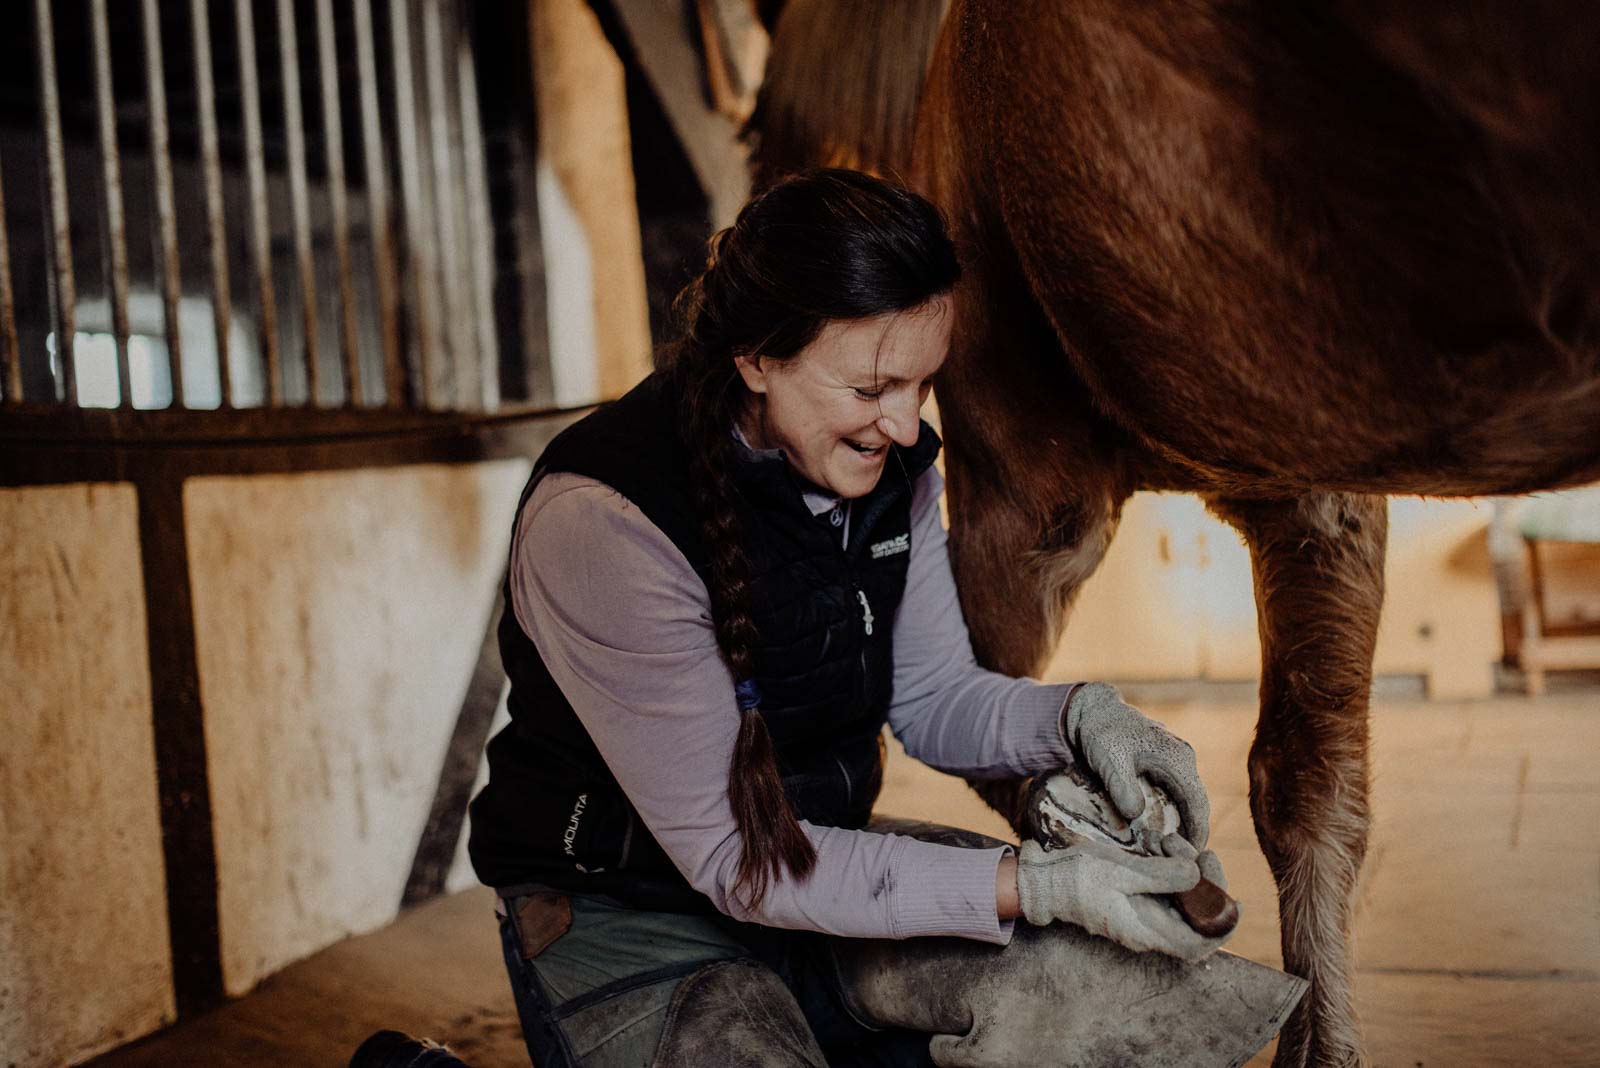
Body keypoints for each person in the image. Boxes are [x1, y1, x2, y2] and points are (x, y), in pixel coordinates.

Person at [467, 169, 1298, 1067]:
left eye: (922, 385)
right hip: (635, 908)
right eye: (871, 390)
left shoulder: (891, 475)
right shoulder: (605, 519)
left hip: (823, 867)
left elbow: (935, 697)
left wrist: (1082, 717)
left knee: (1126, 992)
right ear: (755, 356)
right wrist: (1039, 885)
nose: (904, 426)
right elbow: (737, 860)